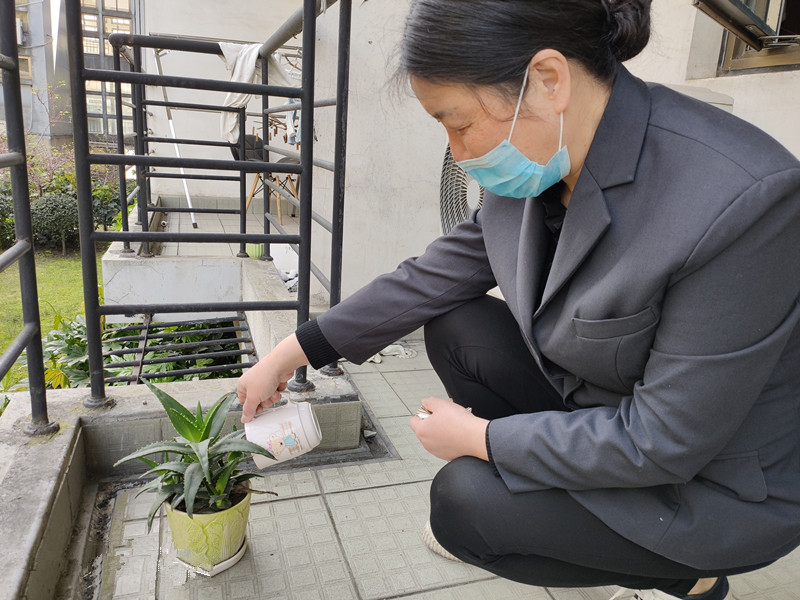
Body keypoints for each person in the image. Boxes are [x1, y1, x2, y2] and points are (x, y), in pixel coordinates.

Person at [236, 0, 800, 598]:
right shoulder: (542, 153)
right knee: (457, 324)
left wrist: (481, 440)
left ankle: (690, 577)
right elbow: (430, 277)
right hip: (605, 407)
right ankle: (562, 501)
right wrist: (291, 352)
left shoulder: (742, 200)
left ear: (549, 80)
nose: (459, 153)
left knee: (464, 504)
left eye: (459, 124)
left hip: (706, 477)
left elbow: (665, 440)